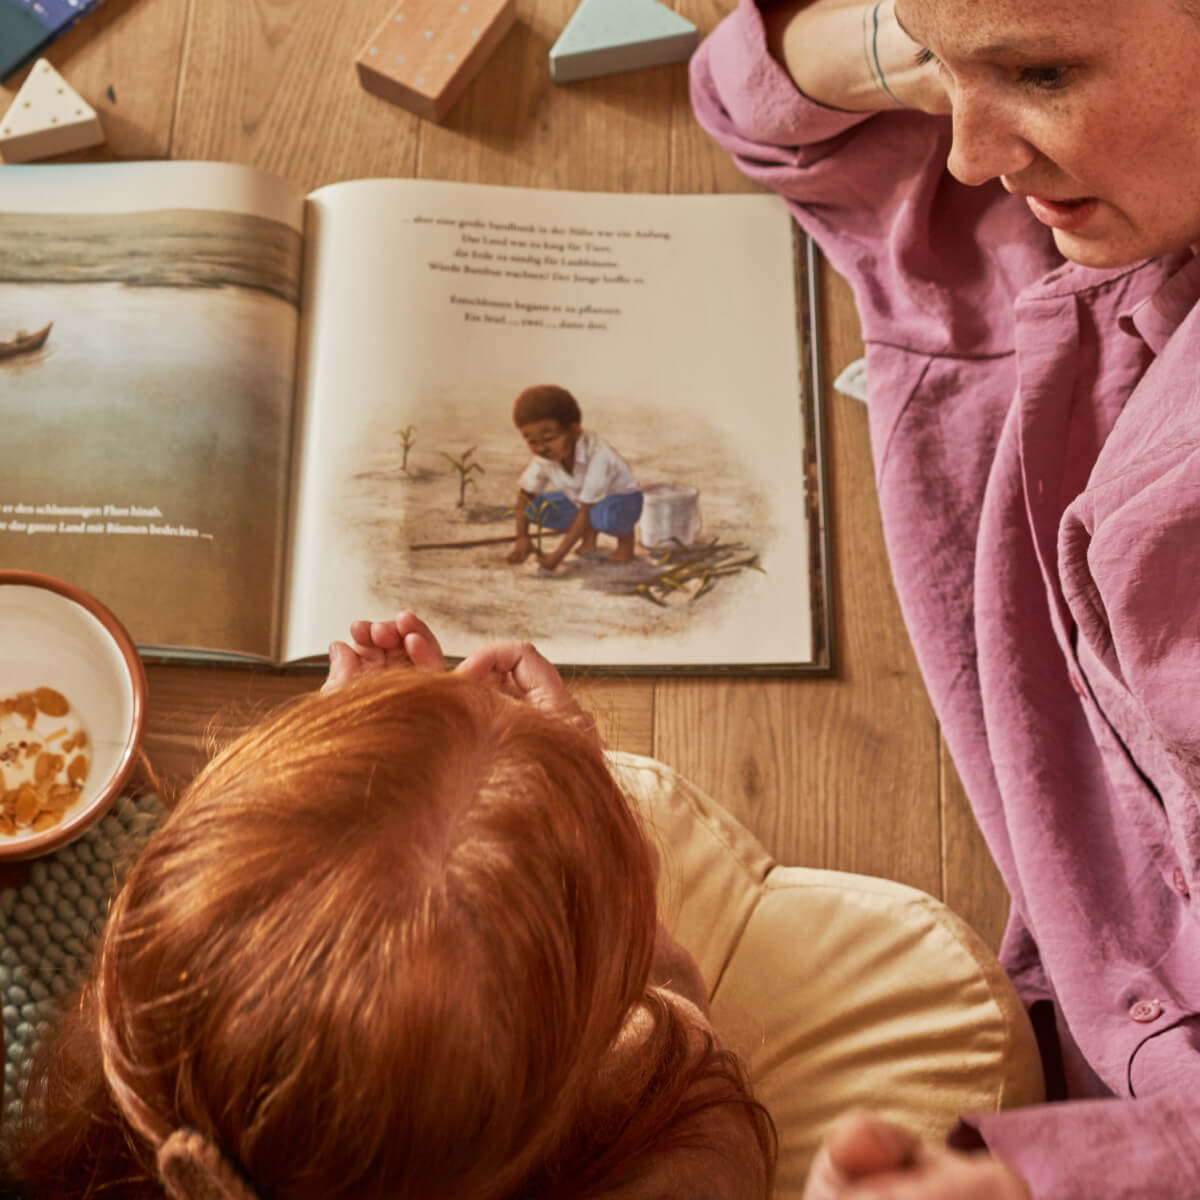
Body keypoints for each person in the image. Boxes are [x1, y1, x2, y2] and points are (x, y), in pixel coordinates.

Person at [690, 0, 1200, 1196]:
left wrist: (1050, 1180)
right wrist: (941, 50)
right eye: (941, 58)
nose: (969, 155)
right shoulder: (1094, 206)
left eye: (1042, 71)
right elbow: (751, 97)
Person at [11, 613, 775, 1200]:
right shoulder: (692, 1158)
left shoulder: (132, 1102)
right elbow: (671, 1025)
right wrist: (589, 817)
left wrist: (331, 791)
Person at [505, 384, 644, 570]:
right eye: (532, 441)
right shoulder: (544, 457)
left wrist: (557, 556)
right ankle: (589, 537)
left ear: (575, 431)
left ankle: (626, 542)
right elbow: (525, 495)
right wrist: (522, 537)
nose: (541, 448)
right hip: (583, 503)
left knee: (601, 515)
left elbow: (586, 510)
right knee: (535, 509)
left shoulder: (600, 456)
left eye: (549, 438)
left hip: (623, 502)